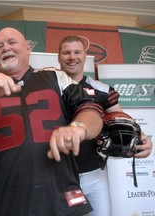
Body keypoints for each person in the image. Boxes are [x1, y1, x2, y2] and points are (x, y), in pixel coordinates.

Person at [0, 27, 105, 216]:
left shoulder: (55, 77)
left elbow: (92, 110)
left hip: (57, 198)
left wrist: (78, 128)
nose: (5, 48)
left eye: (12, 42)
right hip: (4, 200)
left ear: (27, 49)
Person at [58, 35, 153, 216]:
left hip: (95, 175)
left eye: (77, 52)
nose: (72, 57)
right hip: (59, 175)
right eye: (66, 52)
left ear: (84, 56)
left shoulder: (100, 89)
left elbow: (123, 119)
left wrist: (143, 139)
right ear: (59, 57)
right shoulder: (48, 86)